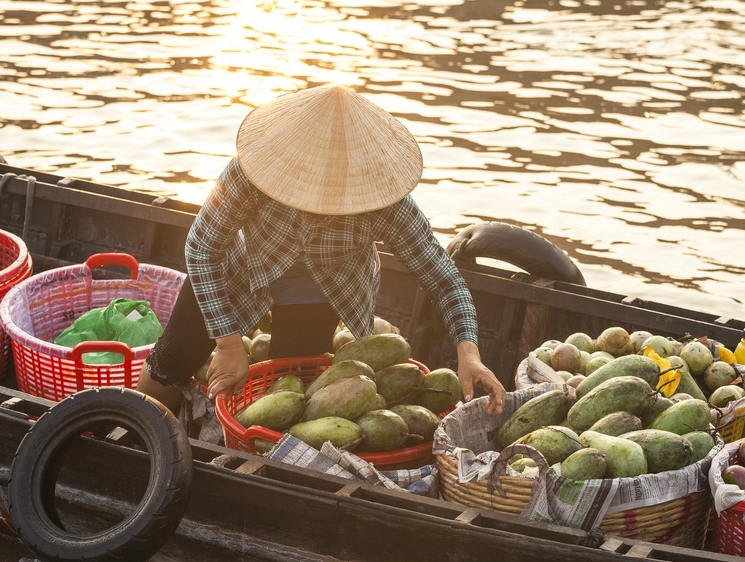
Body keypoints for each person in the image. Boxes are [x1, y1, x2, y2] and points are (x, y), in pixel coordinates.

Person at [137, 84, 505, 418]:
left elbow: (445, 281)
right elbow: (202, 248)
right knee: (170, 361)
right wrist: (229, 344)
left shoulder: (386, 204)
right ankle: (134, 430)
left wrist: (468, 354)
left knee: (287, 394)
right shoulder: (250, 172)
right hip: (239, 270)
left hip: (322, 291)